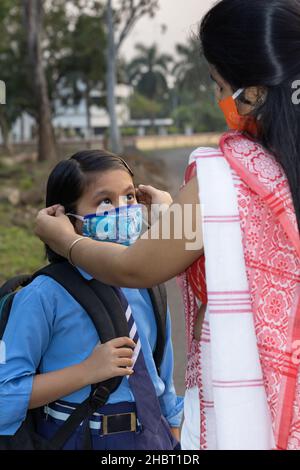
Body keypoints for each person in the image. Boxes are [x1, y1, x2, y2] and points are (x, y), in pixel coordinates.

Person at [35, 0, 300, 450]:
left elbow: (138, 266)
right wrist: (173, 213)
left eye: (220, 85)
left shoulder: (222, 176)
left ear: (252, 94)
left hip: (248, 398)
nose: (219, 99)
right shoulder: (281, 166)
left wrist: (67, 240)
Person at [0, 150, 183, 450]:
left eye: (129, 197)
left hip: (154, 438)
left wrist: (172, 430)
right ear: (66, 220)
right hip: (82, 437)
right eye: (105, 201)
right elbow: (5, 394)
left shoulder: (148, 283)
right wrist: (86, 371)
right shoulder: (44, 295)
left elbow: (162, 372)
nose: (122, 210)